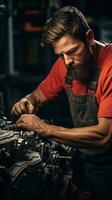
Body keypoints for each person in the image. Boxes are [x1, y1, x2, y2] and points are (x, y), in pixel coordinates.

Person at [11, 6, 112, 200]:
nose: (66, 62)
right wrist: (27, 101)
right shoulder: (66, 64)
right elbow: (36, 96)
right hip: (86, 162)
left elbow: (104, 136)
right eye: (60, 55)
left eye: (72, 51)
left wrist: (44, 128)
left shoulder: (109, 69)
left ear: (89, 38)